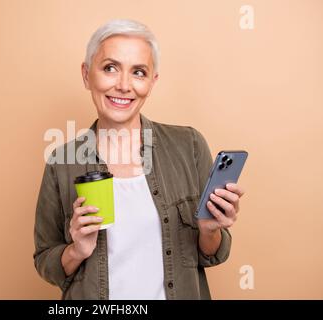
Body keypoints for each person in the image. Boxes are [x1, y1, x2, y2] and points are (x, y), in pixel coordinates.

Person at [33, 19, 245, 299]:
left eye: (138, 72)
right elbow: (45, 260)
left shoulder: (189, 146)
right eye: (110, 68)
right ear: (86, 75)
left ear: (152, 81)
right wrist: (76, 250)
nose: (123, 85)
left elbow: (213, 254)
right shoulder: (61, 162)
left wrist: (209, 230)